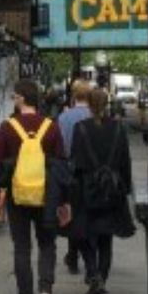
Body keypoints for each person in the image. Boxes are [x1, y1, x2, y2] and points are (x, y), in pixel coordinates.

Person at [0, 79, 68, 294]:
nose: (13, 100)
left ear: (23, 98)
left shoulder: (7, 127)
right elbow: (61, 167)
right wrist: (64, 202)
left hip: (18, 197)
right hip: (47, 197)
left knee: (22, 249)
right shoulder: (51, 127)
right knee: (47, 245)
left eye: (15, 96)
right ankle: (45, 289)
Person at [69, 87, 134, 294]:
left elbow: (75, 162)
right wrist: (125, 187)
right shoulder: (118, 128)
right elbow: (125, 160)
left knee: (85, 236)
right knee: (106, 239)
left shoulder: (81, 129)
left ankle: (93, 274)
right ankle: (101, 281)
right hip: (112, 190)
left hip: (87, 189)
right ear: (107, 104)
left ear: (88, 104)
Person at [55, 80, 93, 275]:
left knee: (72, 213)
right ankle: (85, 256)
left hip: (69, 169)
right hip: (90, 172)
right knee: (87, 214)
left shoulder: (64, 117)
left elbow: (59, 146)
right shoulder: (95, 116)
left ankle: (72, 255)